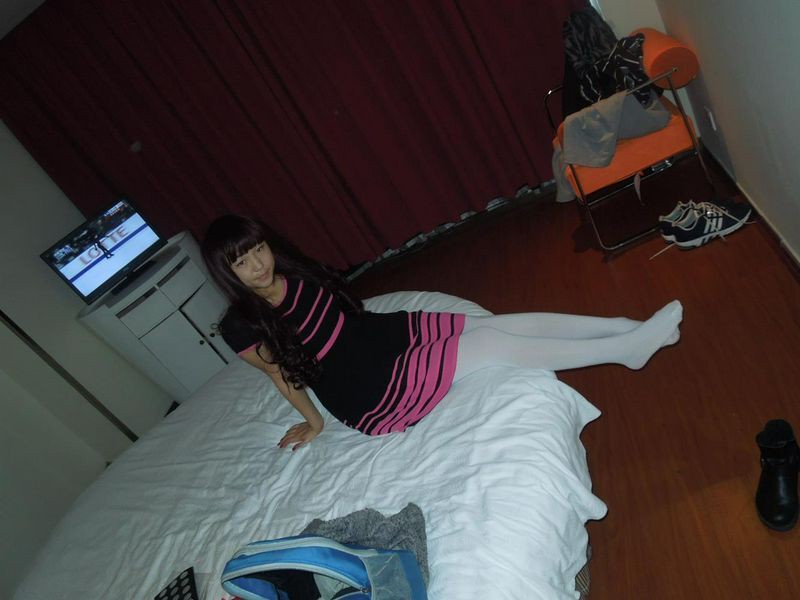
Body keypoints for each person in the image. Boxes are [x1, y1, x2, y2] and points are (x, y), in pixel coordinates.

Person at [202, 215, 683, 450]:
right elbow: (280, 376)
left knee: (495, 325)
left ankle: (623, 327)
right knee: (491, 345)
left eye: (258, 249)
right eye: (241, 263)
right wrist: (316, 423)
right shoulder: (241, 324)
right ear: (228, 273)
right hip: (363, 387)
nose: (257, 265)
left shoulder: (292, 268)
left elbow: (343, 314)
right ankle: (626, 349)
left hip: (378, 335)